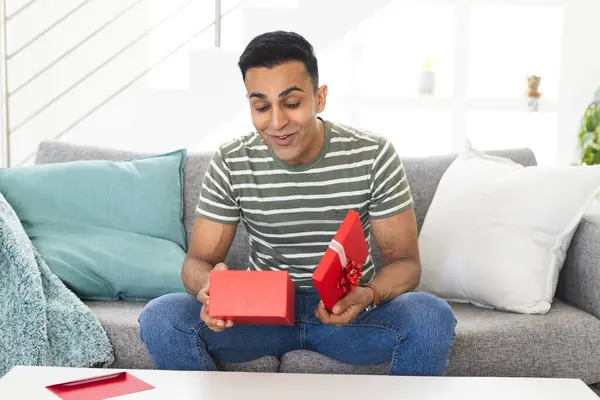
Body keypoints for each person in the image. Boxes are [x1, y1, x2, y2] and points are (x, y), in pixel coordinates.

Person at [139, 30, 456, 376]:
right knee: (161, 316)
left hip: (349, 317)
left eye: (291, 103)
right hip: (258, 316)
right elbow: (197, 261)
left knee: (431, 315)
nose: (276, 123)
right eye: (261, 106)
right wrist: (209, 289)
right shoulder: (232, 161)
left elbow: (406, 263)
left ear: (319, 99)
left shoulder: (373, 155)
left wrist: (368, 294)